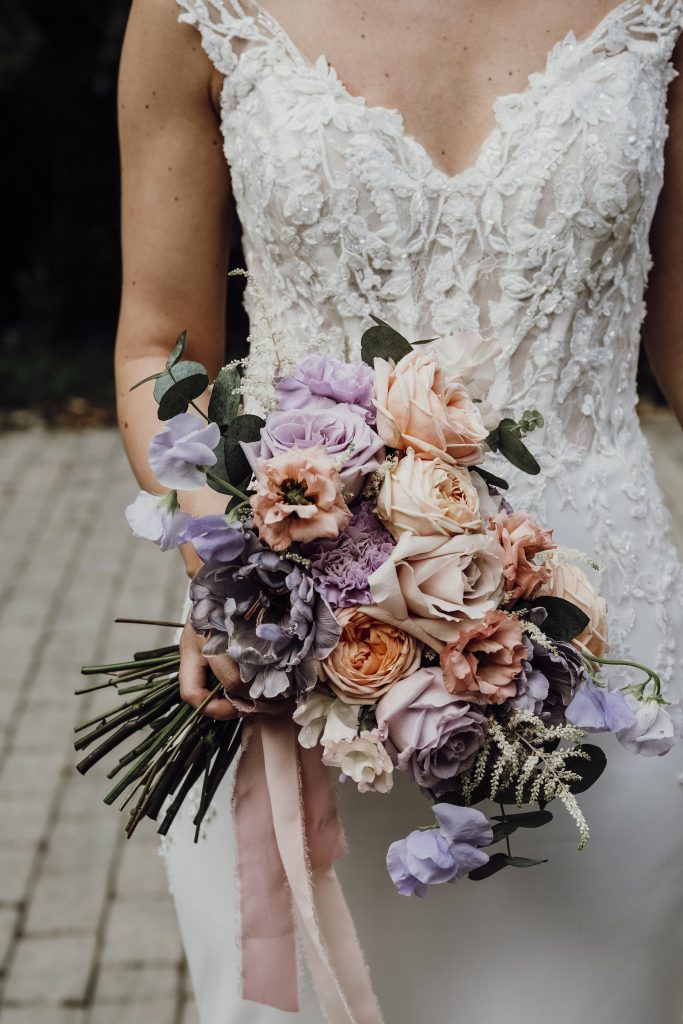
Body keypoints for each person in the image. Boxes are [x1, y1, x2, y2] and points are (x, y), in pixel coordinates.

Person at [114, 1, 683, 1021]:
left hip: (609, 674)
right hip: (296, 666)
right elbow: (157, 347)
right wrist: (226, 559)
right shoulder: (198, 9)